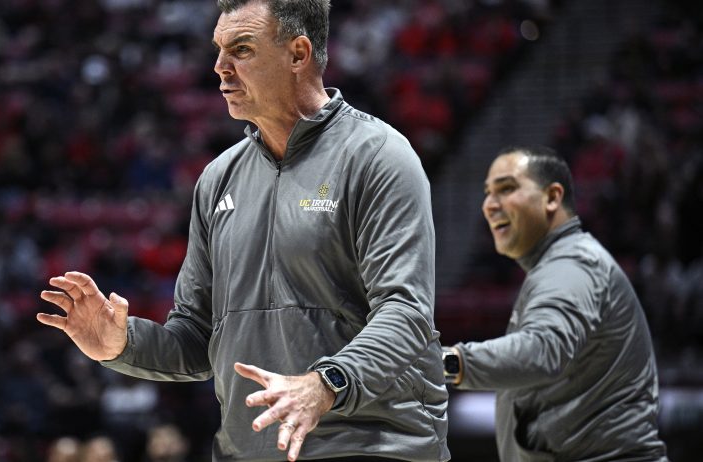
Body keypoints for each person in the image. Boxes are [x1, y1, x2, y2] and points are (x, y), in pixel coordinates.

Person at [37, 0, 450, 461]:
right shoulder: (218, 179)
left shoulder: (379, 157)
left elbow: (406, 311)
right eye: (218, 49)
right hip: (250, 450)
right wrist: (124, 344)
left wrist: (326, 383)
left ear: (298, 54)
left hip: (371, 446)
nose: (219, 67)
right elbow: (196, 338)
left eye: (242, 49)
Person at [442, 146, 668, 461]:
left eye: (506, 189)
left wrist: (448, 362)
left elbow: (542, 350)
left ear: (552, 198)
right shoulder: (562, 263)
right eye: (487, 193)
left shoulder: (572, 264)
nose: (490, 205)